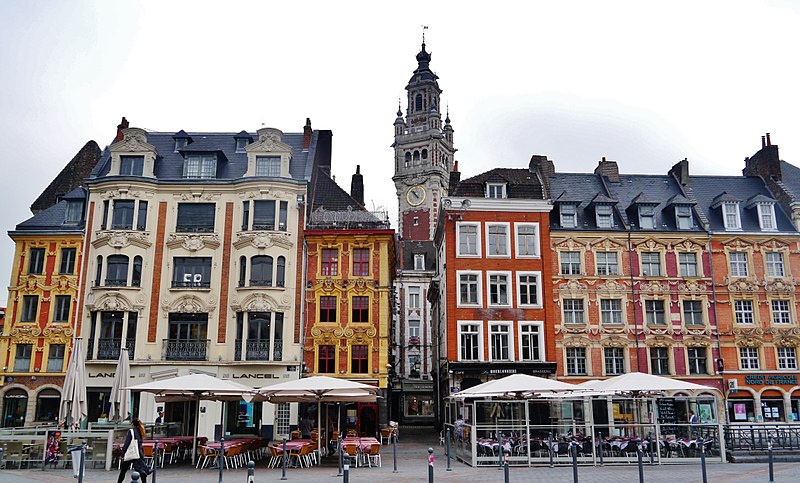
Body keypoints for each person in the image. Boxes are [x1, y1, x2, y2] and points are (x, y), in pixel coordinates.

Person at [117, 418, 150, 483]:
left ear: (132, 424)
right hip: (138, 453)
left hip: (131, 453)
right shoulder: (141, 432)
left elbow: (127, 443)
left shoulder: (131, 431)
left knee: (123, 471)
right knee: (140, 469)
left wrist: (122, 454)